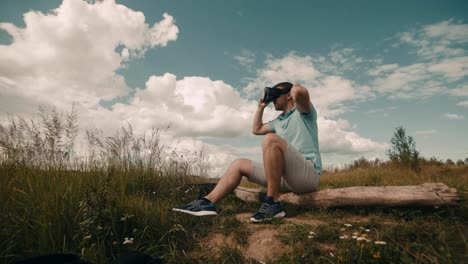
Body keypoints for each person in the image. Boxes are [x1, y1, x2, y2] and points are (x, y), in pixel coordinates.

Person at [173, 82, 322, 222]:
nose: (273, 100)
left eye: (275, 95)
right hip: (284, 178)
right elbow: (256, 129)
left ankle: (272, 203)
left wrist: (288, 88)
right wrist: (261, 106)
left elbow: (299, 92)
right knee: (239, 164)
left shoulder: (304, 112)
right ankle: (207, 202)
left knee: (271, 140)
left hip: (307, 175)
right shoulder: (278, 121)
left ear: (289, 95)